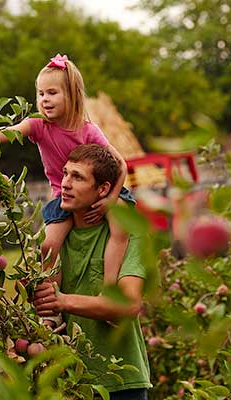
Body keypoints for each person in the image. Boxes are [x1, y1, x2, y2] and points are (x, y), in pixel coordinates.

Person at [0, 54, 133, 297]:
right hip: (63, 198)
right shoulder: (37, 125)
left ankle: (110, 289)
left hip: (97, 192)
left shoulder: (87, 130)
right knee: (48, 244)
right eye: (41, 93)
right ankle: (53, 299)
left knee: (120, 227)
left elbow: (121, 164)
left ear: (72, 94)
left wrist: (110, 199)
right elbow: (9, 132)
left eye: (52, 93)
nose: (45, 99)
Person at [33, 144, 151, 399]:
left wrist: (63, 301)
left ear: (103, 189)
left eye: (77, 177)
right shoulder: (48, 241)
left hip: (121, 382)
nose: (65, 183)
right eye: (65, 174)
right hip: (66, 382)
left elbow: (128, 306)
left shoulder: (131, 235)